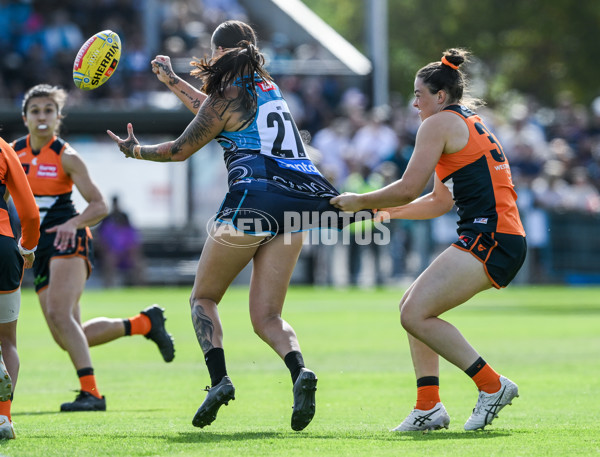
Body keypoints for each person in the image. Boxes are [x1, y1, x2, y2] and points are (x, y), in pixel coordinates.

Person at [107, 20, 369, 431]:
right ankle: (300, 372)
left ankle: (219, 381)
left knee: (203, 298)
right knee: (268, 316)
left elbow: (180, 149)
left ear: (218, 53)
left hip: (255, 199)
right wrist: (173, 80)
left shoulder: (225, 97)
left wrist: (135, 151)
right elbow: (213, 115)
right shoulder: (268, 88)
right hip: (298, 201)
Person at [331, 48, 527, 432]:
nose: (414, 102)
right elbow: (439, 201)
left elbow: (407, 188)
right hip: (497, 235)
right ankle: (428, 406)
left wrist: (359, 201)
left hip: (491, 236)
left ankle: (492, 385)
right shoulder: (463, 121)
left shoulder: (436, 125)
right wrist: (382, 213)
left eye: (419, 94)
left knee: (413, 313)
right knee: (414, 309)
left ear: (440, 95)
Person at [13, 84, 175, 412]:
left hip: (69, 240)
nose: (42, 116)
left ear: (58, 117)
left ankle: (92, 394)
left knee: (60, 315)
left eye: (48, 110)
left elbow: (99, 206)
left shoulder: (67, 156)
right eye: (35, 111)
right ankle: (144, 323)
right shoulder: (12, 155)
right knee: (67, 336)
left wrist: (73, 224)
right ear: (25, 117)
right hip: (37, 248)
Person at [0, 135, 40, 439]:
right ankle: (3, 417)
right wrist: (26, 248)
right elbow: (29, 213)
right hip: (3, 248)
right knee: (8, 342)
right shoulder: (4, 148)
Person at [95, 195, 145, 287]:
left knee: (138, 263)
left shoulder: (127, 224)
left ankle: (140, 289)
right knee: (109, 260)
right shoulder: (107, 222)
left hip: (127, 254)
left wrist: (128, 253)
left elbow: (134, 243)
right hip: (112, 254)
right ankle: (109, 287)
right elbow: (101, 241)